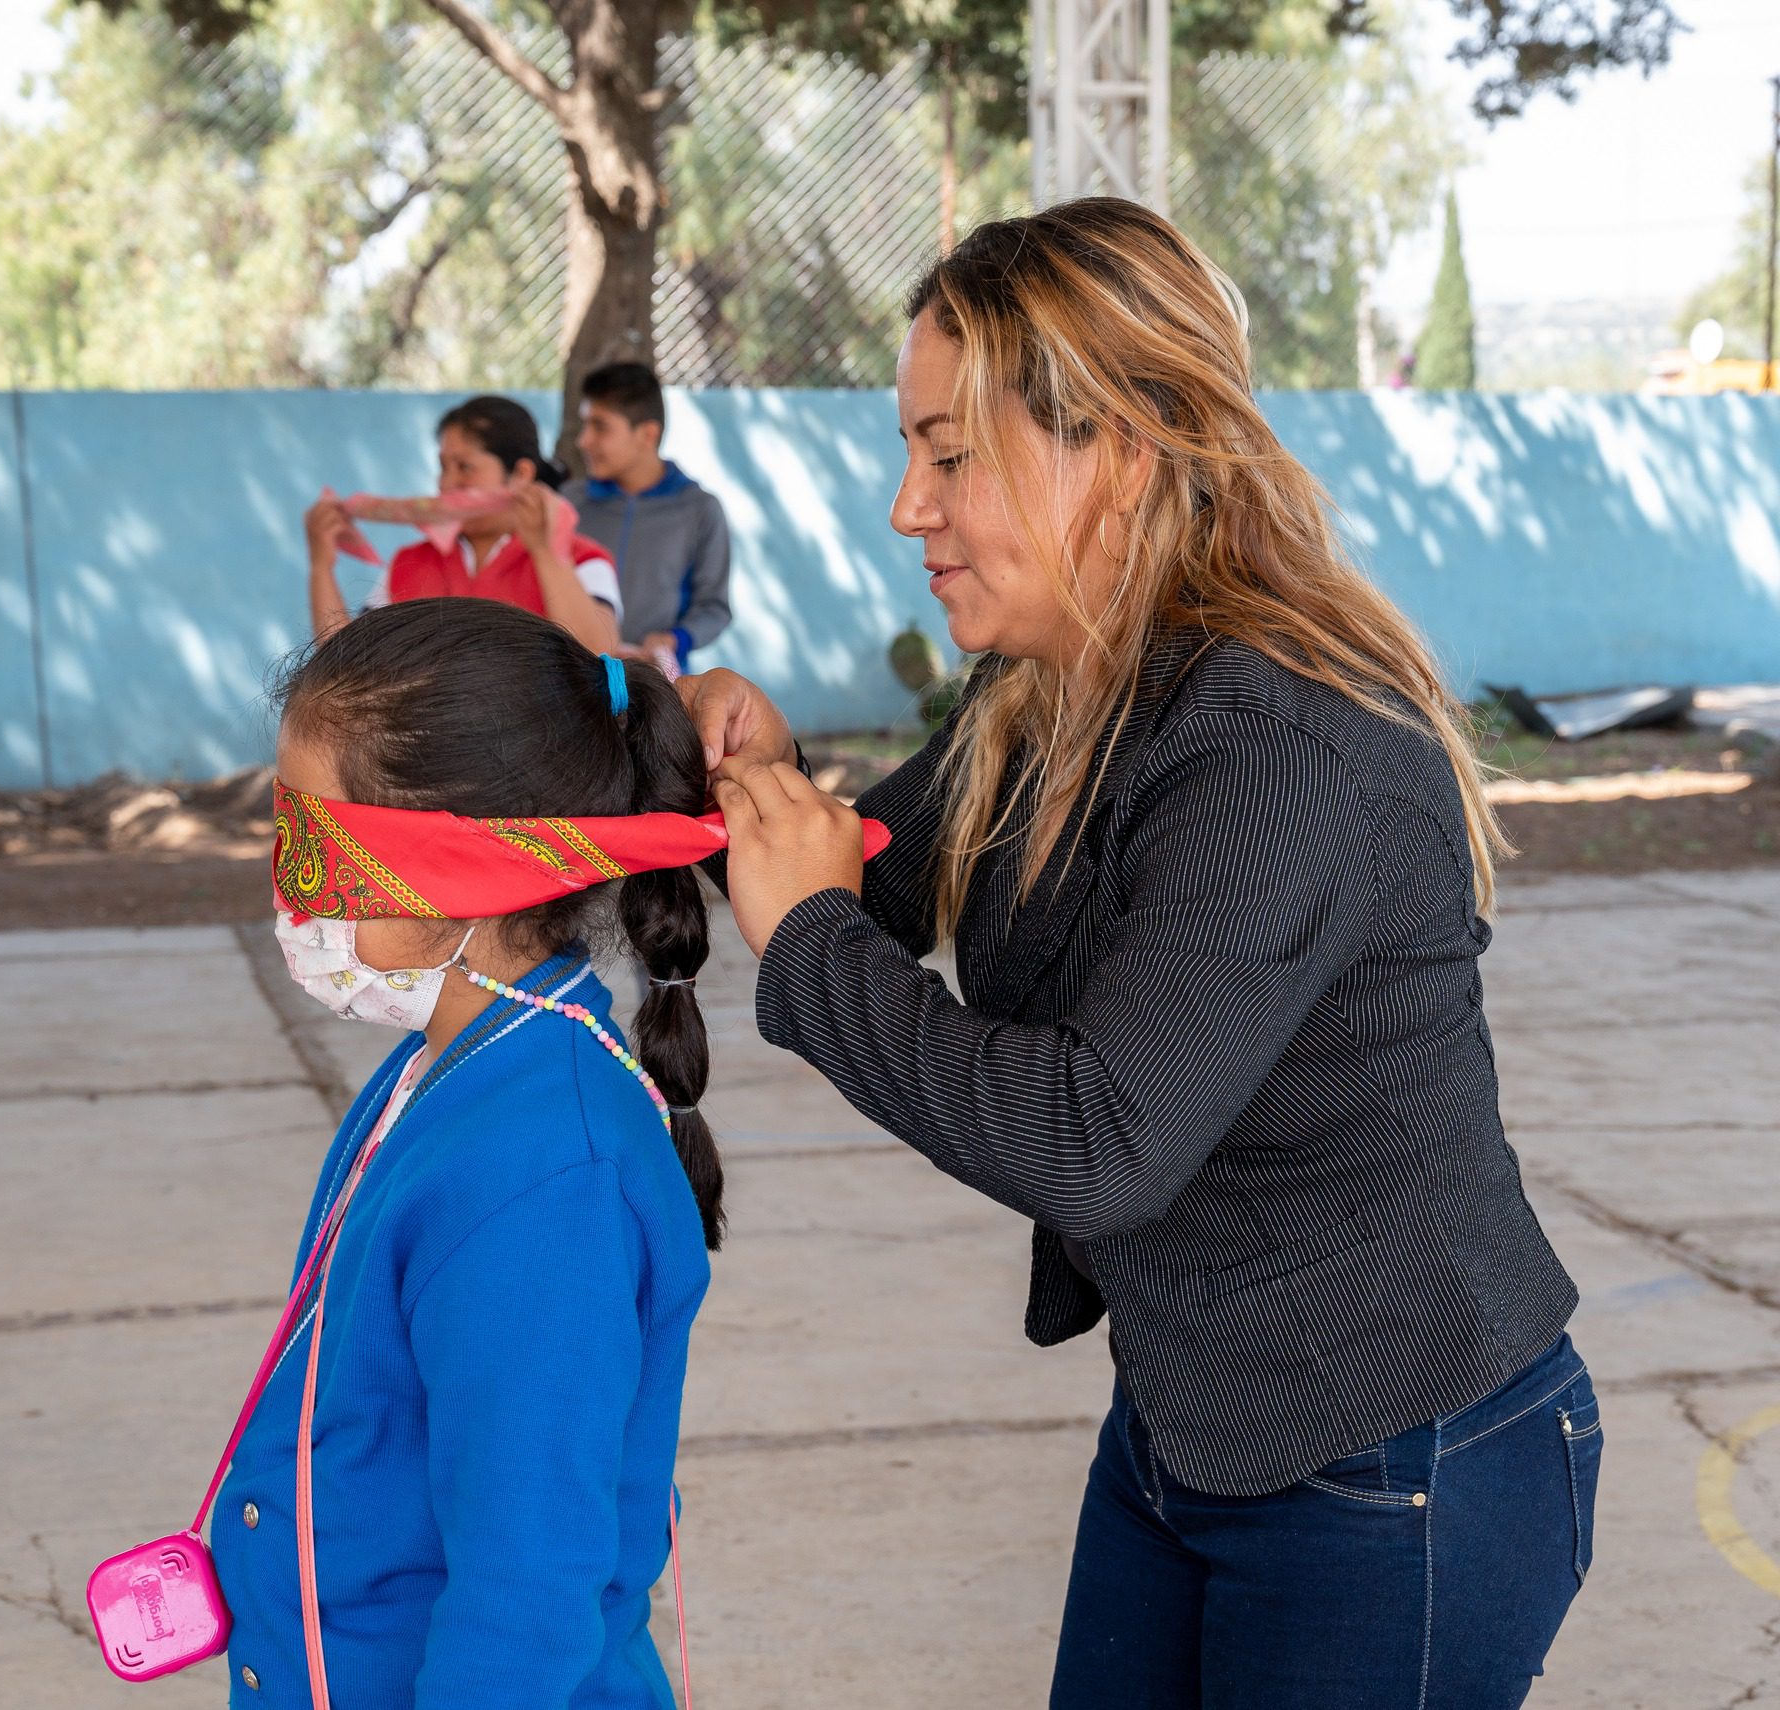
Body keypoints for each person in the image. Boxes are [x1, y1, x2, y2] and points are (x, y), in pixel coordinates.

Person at [682, 198, 1599, 1708]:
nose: (911, 509)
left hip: (1396, 1459)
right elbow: (875, 880)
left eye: (952, 454)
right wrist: (757, 776)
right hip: (1195, 1429)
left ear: (1116, 441)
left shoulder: (1286, 742)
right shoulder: (1052, 692)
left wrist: (810, 939)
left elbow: (1098, 1139)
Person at [211, 598, 719, 1706]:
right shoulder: (446, 1067)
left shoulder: (546, 1176)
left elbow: (526, 1592)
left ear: (463, 867)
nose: (284, 884)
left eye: (311, 842)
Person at [304, 395, 622, 652]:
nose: (446, 483)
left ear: (521, 475)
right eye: (443, 467)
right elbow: (345, 668)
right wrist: (322, 567)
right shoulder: (409, 564)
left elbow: (599, 659)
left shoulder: (585, 561)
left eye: (465, 467)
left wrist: (545, 552)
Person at [567, 362, 732, 671]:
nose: (584, 440)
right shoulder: (568, 505)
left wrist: (674, 639)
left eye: (600, 426)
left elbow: (714, 607)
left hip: (653, 685)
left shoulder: (699, 510)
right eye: (584, 424)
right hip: (575, 677)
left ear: (647, 434)